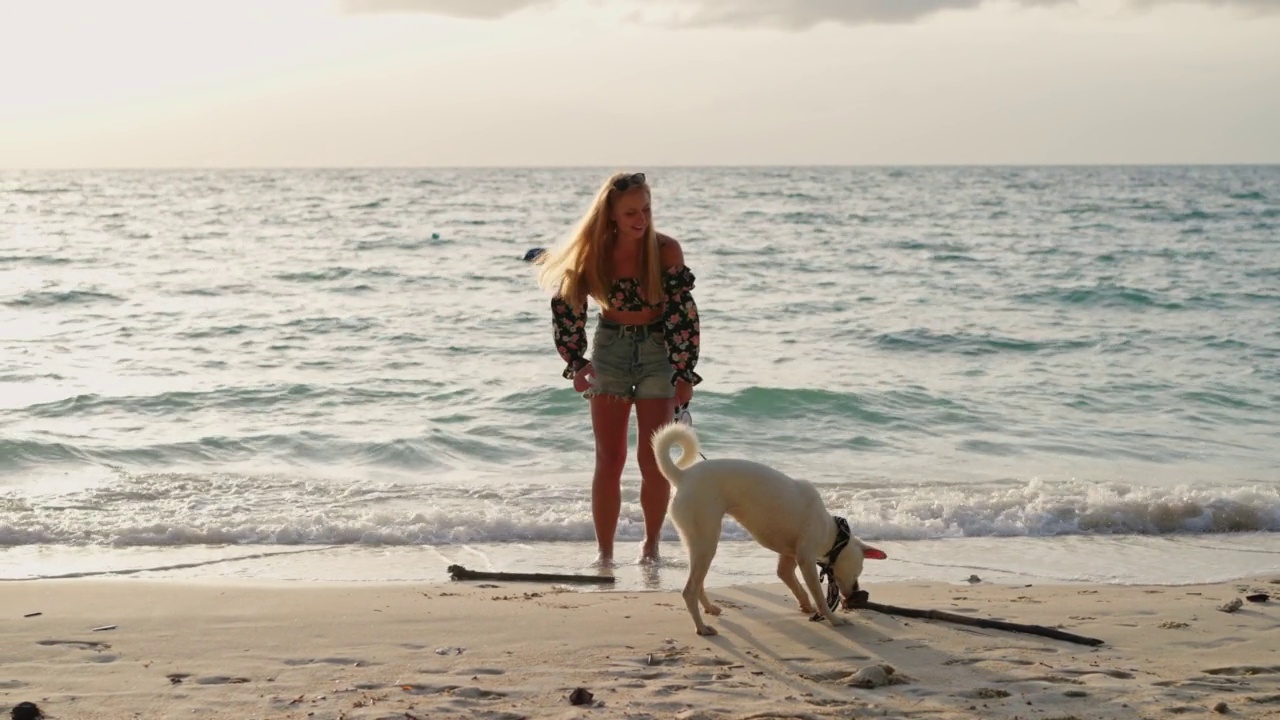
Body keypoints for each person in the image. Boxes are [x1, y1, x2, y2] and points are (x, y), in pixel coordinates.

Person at [535, 171, 702, 564]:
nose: (640, 219)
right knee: (609, 459)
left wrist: (684, 371)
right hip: (610, 349)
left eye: (645, 209)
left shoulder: (665, 250)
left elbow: (684, 314)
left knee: (653, 460)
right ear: (610, 214)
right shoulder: (594, 253)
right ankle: (605, 554)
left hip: (657, 352)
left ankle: (651, 548)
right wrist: (575, 362)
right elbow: (567, 307)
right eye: (630, 213)